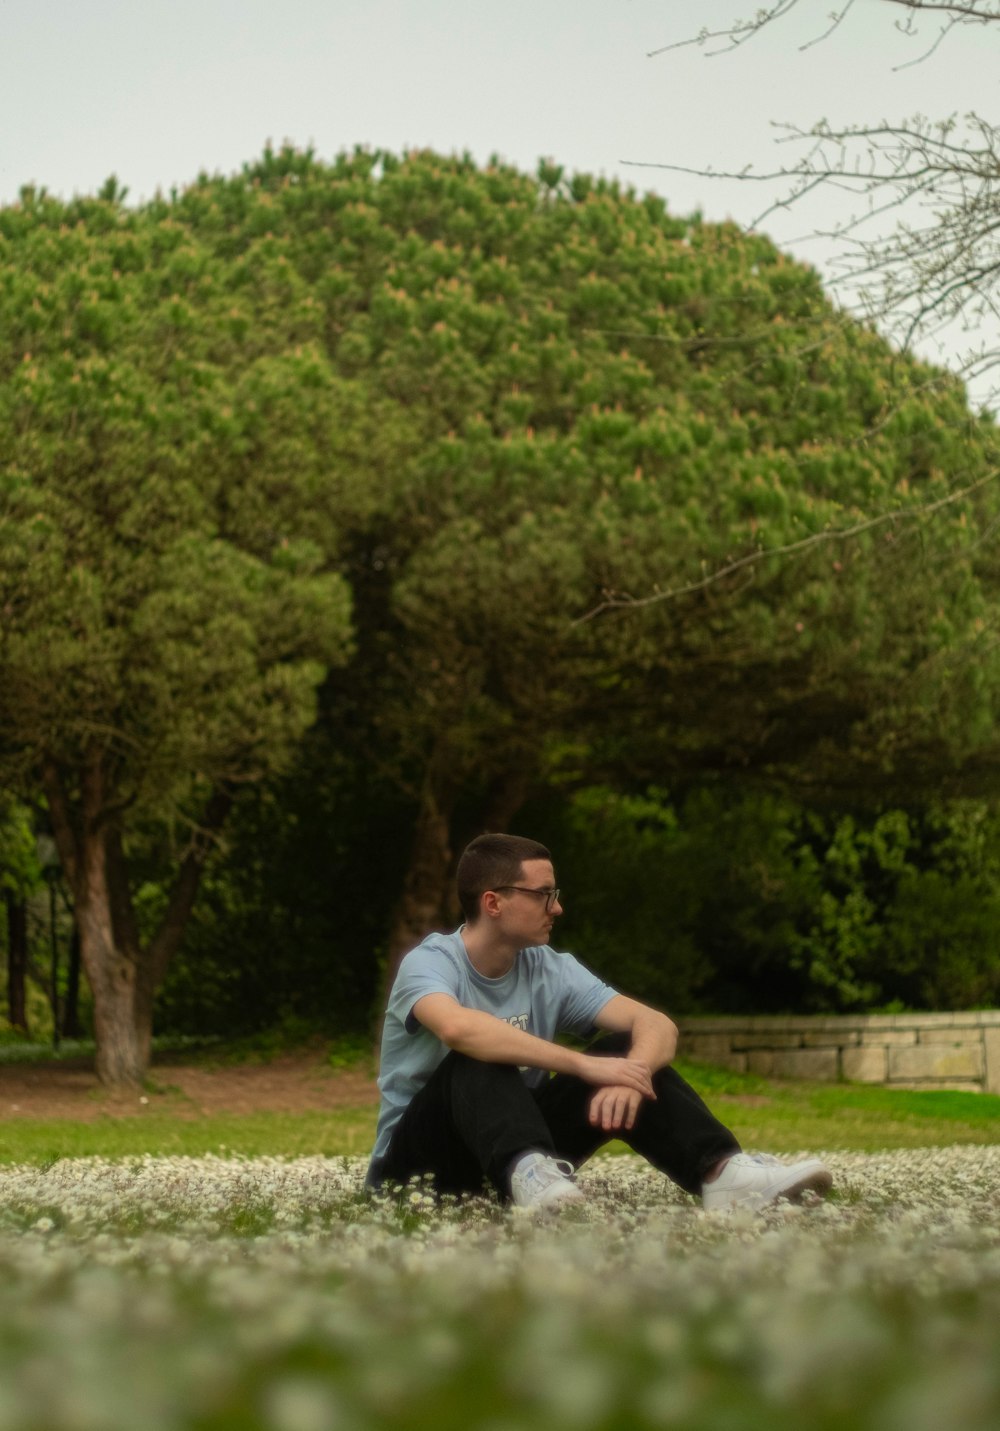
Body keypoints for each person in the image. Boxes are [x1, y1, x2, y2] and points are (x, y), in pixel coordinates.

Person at [367, 833, 832, 1212]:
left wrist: (634, 1074)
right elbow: (458, 1030)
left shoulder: (549, 966)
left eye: (556, 894)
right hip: (419, 1167)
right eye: (543, 895)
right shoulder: (428, 964)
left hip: (514, 1151)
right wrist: (585, 1067)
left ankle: (723, 1175)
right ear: (493, 903)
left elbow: (656, 1024)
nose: (557, 908)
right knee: (480, 1051)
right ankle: (527, 1172)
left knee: (625, 1048)